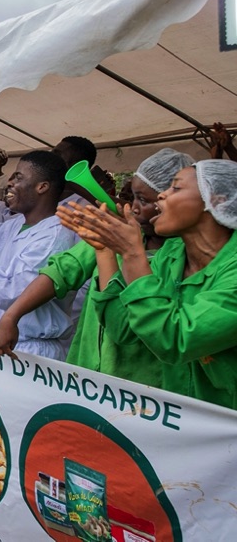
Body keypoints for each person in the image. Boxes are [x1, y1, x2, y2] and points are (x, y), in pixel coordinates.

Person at [0, 148, 194, 387]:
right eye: (134, 198)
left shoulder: (182, 254)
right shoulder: (116, 232)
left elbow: (130, 327)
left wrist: (123, 250)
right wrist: (12, 315)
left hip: (141, 382)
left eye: (145, 200)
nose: (135, 208)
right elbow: (62, 271)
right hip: (86, 370)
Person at [60, 159, 237, 409]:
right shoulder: (171, 255)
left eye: (175, 188)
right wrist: (105, 249)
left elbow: (176, 340)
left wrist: (133, 254)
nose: (162, 195)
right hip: (178, 422)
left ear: (217, 200)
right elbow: (122, 328)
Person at [0, 149, 79, 359]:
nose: (9, 182)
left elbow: (10, 293)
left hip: (34, 350)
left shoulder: (54, 237)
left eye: (18, 177)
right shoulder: (15, 224)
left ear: (42, 187)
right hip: (6, 342)